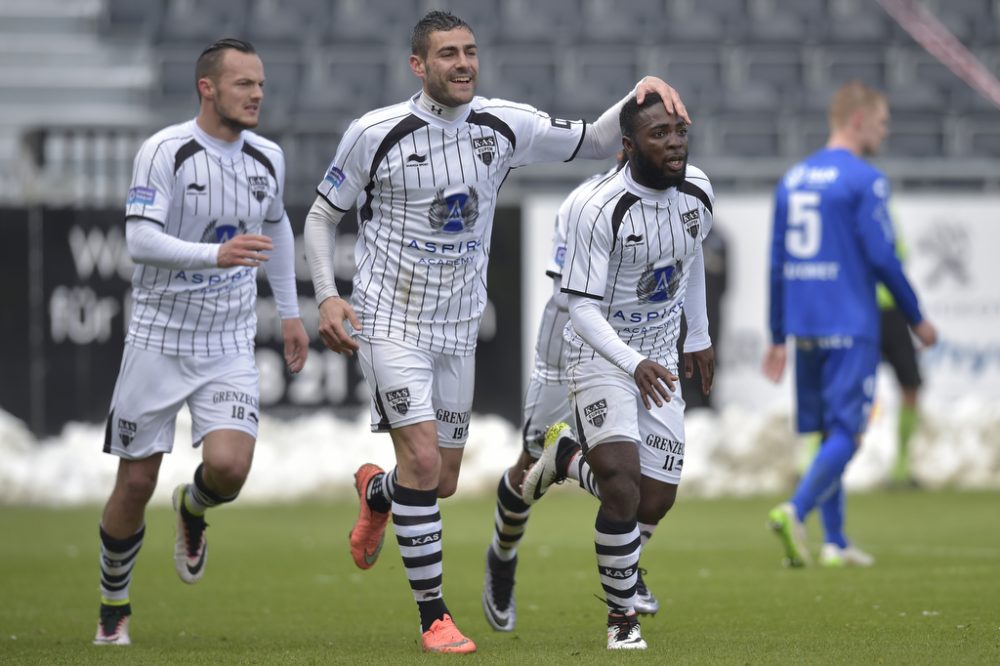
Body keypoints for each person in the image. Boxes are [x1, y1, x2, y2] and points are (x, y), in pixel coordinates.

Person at [303, 10, 688, 654]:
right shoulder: (376, 133)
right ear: (417, 66)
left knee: (440, 480)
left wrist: (639, 89)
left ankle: (378, 493)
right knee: (424, 461)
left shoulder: (502, 124)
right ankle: (434, 619)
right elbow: (320, 217)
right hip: (389, 320)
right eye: (447, 54)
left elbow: (597, 141)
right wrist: (326, 297)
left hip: (458, 328)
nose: (462, 64)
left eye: (469, 52)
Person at [93, 38, 308, 646]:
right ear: (207, 88)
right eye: (244, 84)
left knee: (230, 468)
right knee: (135, 483)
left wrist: (291, 314)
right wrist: (217, 255)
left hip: (228, 341)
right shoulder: (166, 150)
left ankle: (193, 508)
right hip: (159, 336)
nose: (258, 94)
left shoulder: (267, 157)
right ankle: (114, 602)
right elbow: (140, 239)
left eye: (261, 84)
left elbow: (277, 228)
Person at [523, 93, 715, 650]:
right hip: (603, 357)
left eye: (679, 131)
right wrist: (632, 363)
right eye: (659, 134)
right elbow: (579, 310)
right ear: (628, 146)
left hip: (659, 354)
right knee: (624, 488)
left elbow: (693, 256)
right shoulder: (595, 207)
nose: (674, 143)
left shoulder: (699, 190)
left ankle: (564, 458)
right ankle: (621, 621)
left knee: (656, 500)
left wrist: (697, 337)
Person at [762, 81, 936, 569]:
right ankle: (795, 510)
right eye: (882, 123)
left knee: (824, 431)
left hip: (805, 323)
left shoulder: (793, 178)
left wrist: (777, 334)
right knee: (850, 432)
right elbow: (883, 256)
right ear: (858, 121)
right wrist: (917, 318)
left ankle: (835, 541)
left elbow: (776, 264)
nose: (886, 131)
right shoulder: (864, 179)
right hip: (850, 320)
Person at [877, 234, 924, 488]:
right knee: (837, 389)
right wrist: (917, 317)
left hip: (890, 311)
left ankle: (901, 467)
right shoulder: (862, 201)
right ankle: (812, 462)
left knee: (911, 385)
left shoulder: (882, 204)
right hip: (862, 310)